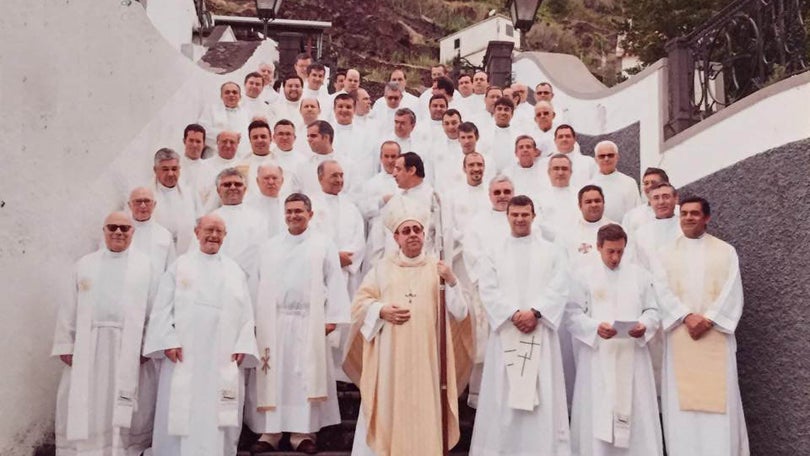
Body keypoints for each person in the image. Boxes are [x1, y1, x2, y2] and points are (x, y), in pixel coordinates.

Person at [344, 195, 473, 455]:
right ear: (396, 238)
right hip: (390, 362)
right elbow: (358, 306)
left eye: (417, 229)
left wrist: (452, 281)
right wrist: (380, 310)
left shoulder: (437, 270)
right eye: (406, 231)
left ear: (424, 233)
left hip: (429, 362)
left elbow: (460, 313)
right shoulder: (381, 270)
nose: (412, 234)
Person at [144, 213, 258, 456]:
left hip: (222, 355)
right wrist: (167, 340)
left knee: (219, 411)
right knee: (180, 408)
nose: (214, 235)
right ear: (197, 233)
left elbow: (246, 314)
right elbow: (162, 308)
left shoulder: (234, 271)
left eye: (219, 231)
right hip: (184, 355)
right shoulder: (180, 266)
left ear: (225, 237)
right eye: (209, 230)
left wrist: (242, 344)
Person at [247, 193, 350, 454]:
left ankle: (302, 434)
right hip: (275, 322)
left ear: (310, 214)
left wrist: (332, 320)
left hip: (309, 321)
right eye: (289, 211)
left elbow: (335, 281)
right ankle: (270, 432)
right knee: (275, 376)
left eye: (298, 211)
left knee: (303, 377)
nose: (293, 216)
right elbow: (257, 284)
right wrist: (256, 321)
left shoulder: (322, 244)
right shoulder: (270, 246)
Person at [470, 195, 571, 455]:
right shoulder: (493, 251)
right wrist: (513, 314)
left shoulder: (550, 251)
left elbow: (560, 285)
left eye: (525, 215)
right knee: (503, 397)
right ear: (507, 217)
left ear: (534, 216)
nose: (520, 219)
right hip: (507, 332)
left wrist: (536, 313)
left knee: (543, 394)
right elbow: (488, 288)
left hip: (540, 330)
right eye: (515, 215)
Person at [652, 196, 750, 456]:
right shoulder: (664, 254)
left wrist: (709, 318)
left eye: (694, 213)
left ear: (706, 218)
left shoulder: (725, 251)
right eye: (684, 213)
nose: (688, 218)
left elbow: (732, 290)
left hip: (715, 334)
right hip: (680, 337)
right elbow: (660, 290)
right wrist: (685, 316)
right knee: (682, 408)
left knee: (721, 405)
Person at [52, 211, 155, 456]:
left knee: (122, 399)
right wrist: (65, 344)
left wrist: (146, 344)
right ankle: (86, 448)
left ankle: (122, 449)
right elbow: (69, 304)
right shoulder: (85, 264)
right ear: (104, 231)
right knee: (90, 399)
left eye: (124, 228)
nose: (118, 232)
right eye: (112, 228)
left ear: (133, 232)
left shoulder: (145, 266)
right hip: (90, 345)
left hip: (127, 347)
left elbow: (154, 307)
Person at [567, 224, 664, 456]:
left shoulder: (640, 276)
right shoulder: (583, 276)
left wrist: (644, 325)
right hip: (598, 355)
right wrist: (594, 328)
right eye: (610, 251)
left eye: (620, 251)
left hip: (633, 356)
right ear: (598, 247)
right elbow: (572, 314)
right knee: (598, 407)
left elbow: (653, 310)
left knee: (637, 407)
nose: (615, 257)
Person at [210, 168, 266, 276]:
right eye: (227, 184)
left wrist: (233, 272)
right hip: (216, 275)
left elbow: (257, 250)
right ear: (218, 190)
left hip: (248, 277)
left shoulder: (258, 218)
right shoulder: (210, 219)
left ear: (245, 189)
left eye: (237, 184)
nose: (232, 187)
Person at [149, 148, 200, 253]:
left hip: (187, 252)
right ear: (155, 170)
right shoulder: (146, 196)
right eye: (165, 169)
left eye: (174, 169)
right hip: (158, 252)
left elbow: (201, 220)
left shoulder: (189, 192)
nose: (171, 174)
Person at [127, 187, 176, 281]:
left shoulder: (165, 235)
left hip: (156, 292)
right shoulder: (120, 232)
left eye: (147, 201)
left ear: (154, 205)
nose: (143, 205)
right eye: (138, 201)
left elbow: (171, 270)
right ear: (130, 205)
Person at [589, 141, 640, 223]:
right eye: (602, 156)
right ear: (596, 159)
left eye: (610, 155)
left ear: (617, 157)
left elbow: (636, 212)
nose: (606, 159)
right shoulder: (589, 186)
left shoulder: (629, 183)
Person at [197, 82, 251, 154]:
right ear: (221, 96)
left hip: (241, 155)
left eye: (234, 92)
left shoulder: (247, 113)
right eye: (227, 92)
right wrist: (228, 137)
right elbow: (202, 131)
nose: (231, 95)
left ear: (240, 96)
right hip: (215, 154)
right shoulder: (211, 110)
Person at [622, 167, 670, 236]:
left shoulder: (679, 212)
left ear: (665, 184)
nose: (649, 186)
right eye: (646, 183)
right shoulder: (631, 216)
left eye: (653, 182)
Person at [245, 163, 287, 238]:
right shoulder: (247, 206)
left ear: (282, 180)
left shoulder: (289, 205)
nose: (271, 182)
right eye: (266, 178)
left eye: (274, 178)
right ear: (257, 181)